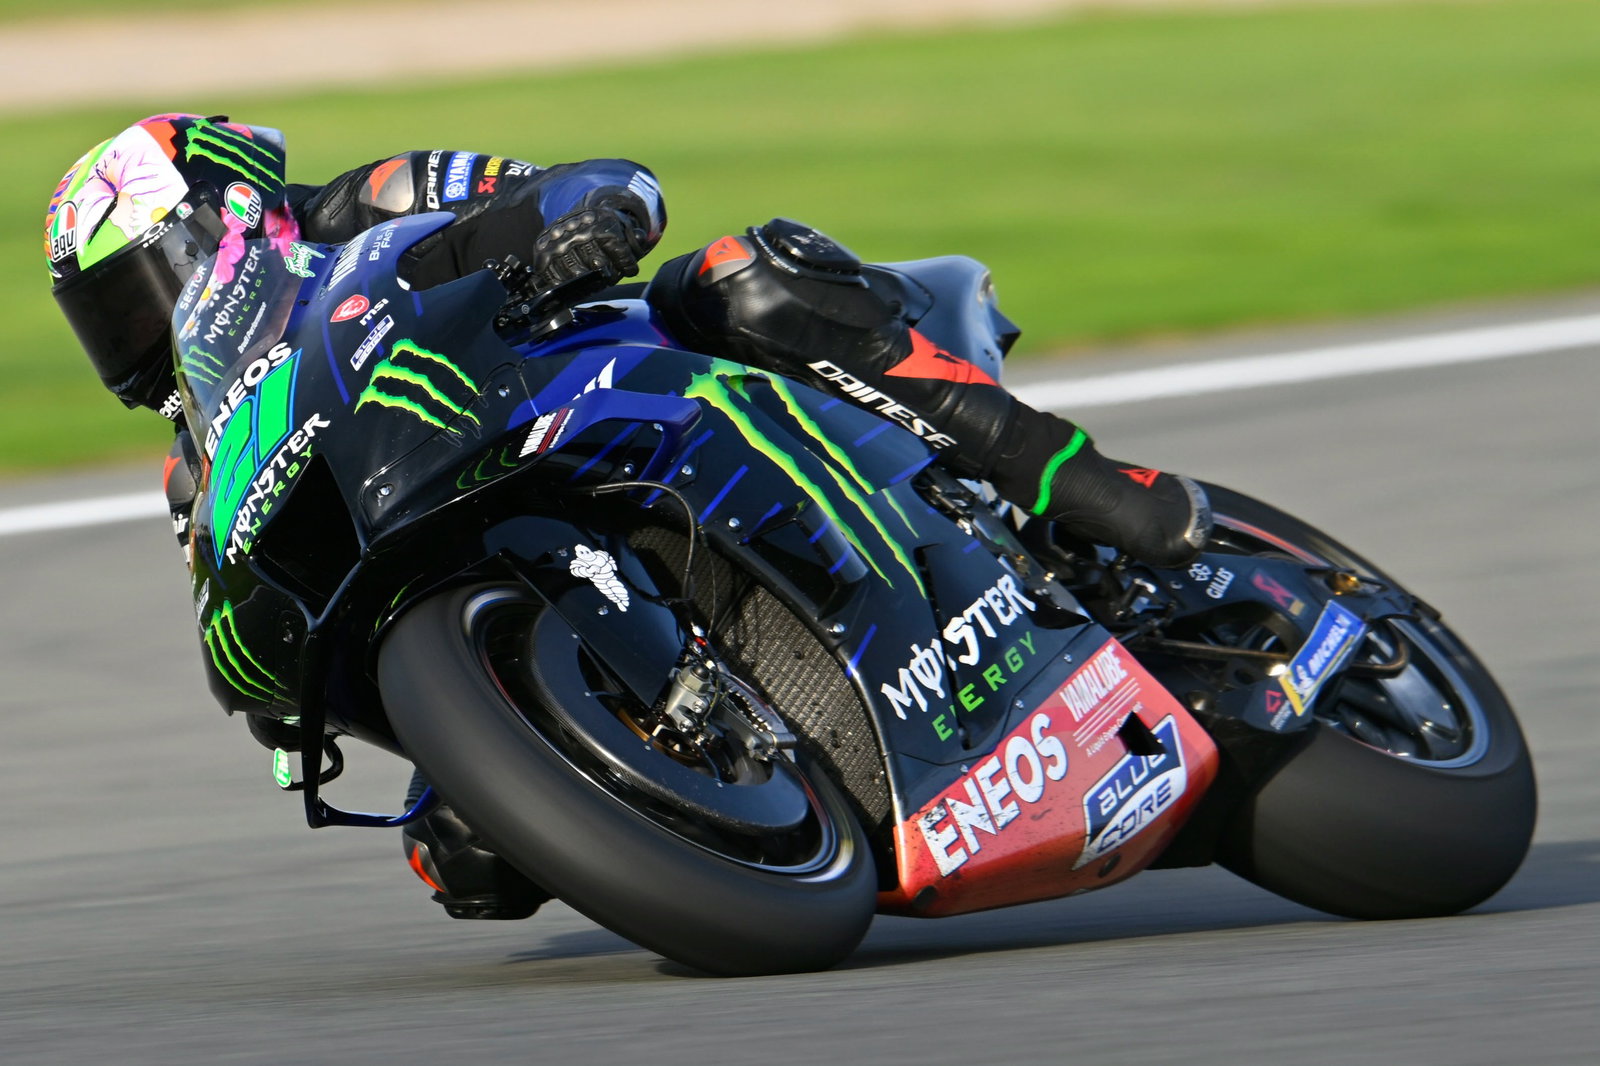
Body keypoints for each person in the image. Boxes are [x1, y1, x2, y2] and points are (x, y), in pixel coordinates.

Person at [46, 114, 1212, 922]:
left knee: (742, 277)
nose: (139, 328)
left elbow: (582, 183)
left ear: (232, 206)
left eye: (143, 283)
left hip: (591, 381)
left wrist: (581, 214)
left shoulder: (370, 201)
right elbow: (247, 625)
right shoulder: (200, 468)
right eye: (109, 317)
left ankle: (1077, 483)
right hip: (450, 540)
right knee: (462, 860)